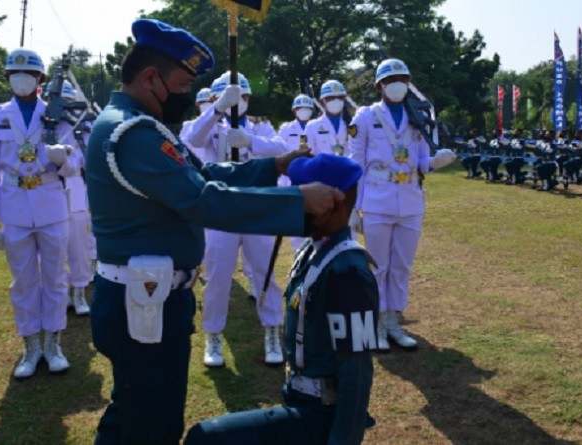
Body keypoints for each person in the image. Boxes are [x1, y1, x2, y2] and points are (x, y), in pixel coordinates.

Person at [85, 18, 342, 444]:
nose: (188, 95)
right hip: (143, 301)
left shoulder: (137, 124)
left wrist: (272, 166)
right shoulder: (133, 132)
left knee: (139, 413)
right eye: (183, 84)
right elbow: (204, 199)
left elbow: (202, 175)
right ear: (150, 78)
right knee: (148, 424)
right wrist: (296, 200)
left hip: (149, 296)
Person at [185, 154, 379, 445]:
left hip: (321, 415)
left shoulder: (347, 271)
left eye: (305, 196)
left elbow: (357, 373)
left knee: (206, 439)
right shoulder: (314, 251)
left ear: (333, 204)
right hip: (298, 399)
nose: (295, 203)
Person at [348, 58, 455, 352]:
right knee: (378, 266)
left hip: (410, 201)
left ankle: (394, 321)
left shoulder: (417, 116)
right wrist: (353, 207)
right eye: (390, 80)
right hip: (376, 200)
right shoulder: (365, 117)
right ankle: (378, 323)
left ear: (408, 83)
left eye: (402, 79)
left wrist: (435, 161)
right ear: (379, 85)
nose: (396, 84)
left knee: (401, 266)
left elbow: (421, 160)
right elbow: (355, 163)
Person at [0, 48, 74, 379]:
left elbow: (76, 167)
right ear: (7, 77)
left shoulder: (58, 114)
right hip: (15, 206)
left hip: (51, 203)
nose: (22, 79)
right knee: (23, 281)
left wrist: (63, 161)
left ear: (40, 79)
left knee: (55, 278)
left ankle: (53, 344)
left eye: (29, 74)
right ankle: (31, 346)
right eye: (15, 74)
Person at [187, 70, 290, 368]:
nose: (239, 101)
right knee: (218, 276)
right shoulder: (210, 124)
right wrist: (218, 108)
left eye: (243, 96)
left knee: (264, 273)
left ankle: (272, 330)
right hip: (222, 209)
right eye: (233, 96)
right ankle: (213, 335)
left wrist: (251, 141)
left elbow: (284, 150)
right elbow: (193, 139)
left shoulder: (261, 126)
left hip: (256, 207)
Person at [56, 80, 93, 315]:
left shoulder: (83, 127)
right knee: (52, 249)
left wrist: (67, 162)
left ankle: (79, 294)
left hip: (76, 191)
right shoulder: (44, 127)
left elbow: (88, 161)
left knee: (78, 247)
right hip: (50, 192)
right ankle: (61, 294)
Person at [278, 94, 317, 251]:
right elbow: (279, 152)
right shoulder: (286, 129)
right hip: (290, 181)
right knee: (295, 226)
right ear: (294, 110)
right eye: (300, 108)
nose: (304, 111)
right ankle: (298, 256)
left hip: (312, 181)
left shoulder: (316, 127)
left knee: (314, 223)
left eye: (307, 108)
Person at [304, 80, 350, 156]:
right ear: (322, 101)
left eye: (340, 97)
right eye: (331, 98)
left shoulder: (353, 124)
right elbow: (306, 155)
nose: (336, 101)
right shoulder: (311, 127)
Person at [180, 87, 213, 159]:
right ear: (197, 104)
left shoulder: (222, 125)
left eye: (209, 102)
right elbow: (183, 149)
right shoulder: (188, 126)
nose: (206, 104)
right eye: (202, 102)